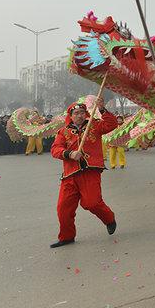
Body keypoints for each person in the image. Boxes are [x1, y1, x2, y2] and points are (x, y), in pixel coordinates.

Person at [49, 98, 118, 248]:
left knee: (91, 203)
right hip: (70, 175)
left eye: (82, 112)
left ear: (86, 113)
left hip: (90, 172)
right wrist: (69, 154)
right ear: (71, 116)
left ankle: (109, 218)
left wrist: (102, 109)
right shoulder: (64, 131)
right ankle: (67, 236)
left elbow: (112, 124)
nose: (79, 116)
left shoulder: (95, 126)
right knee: (63, 208)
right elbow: (55, 150)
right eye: (76, 113)